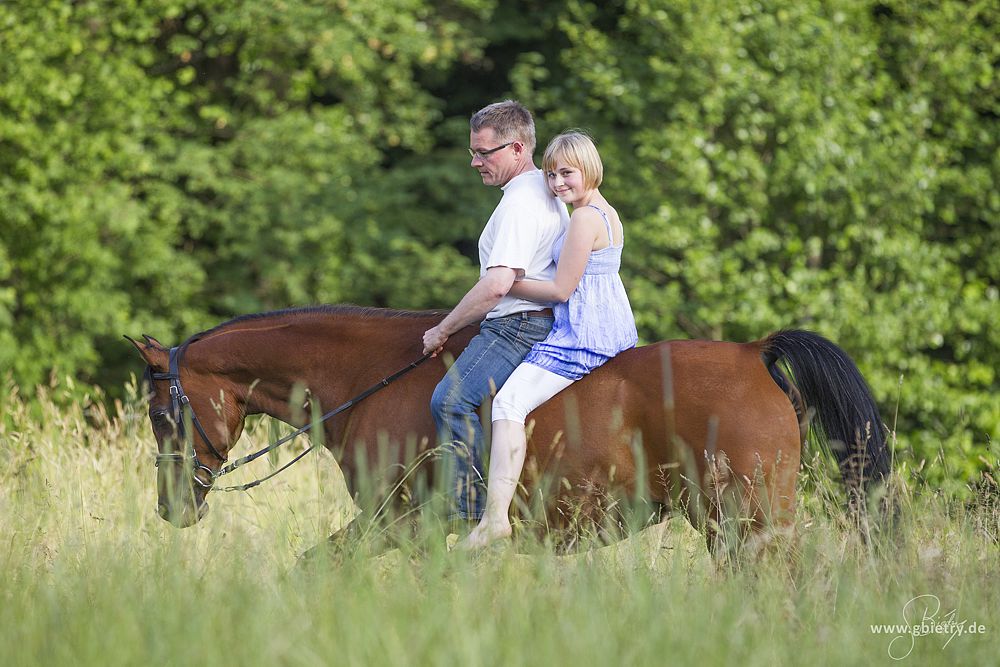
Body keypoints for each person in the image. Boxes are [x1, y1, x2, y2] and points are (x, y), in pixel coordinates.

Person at [460, 130, 638, 549]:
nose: (558, 183)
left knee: (508, 403)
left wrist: (506, 283)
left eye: (568, 174)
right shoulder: (606, 211)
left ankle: (495, 518)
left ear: (589, 169)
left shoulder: (583, 219)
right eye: (552, 174)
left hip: (584, 332)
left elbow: (561, 290)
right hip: (611, 322)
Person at [423, 100, 571, 523]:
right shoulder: (535, 195)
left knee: (450, 400)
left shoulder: (520, 204)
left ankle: (470, 513)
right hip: (522, 320)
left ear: (518, 149)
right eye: (473, 152)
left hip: (517, 326)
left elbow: (496, 284)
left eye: (483, 153)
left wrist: (442, 330)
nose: (474, 162)